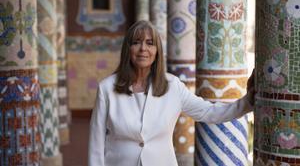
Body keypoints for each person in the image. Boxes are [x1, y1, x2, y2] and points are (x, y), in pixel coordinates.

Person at [88, 20, 254, 166]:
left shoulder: (173, 86)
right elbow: (96, 142)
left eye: (150, 43)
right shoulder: (107, 88)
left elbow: (209, 112)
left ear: (157, 50)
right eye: (136, 42)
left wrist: (247, 102)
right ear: (128, 49)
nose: (143, 49)